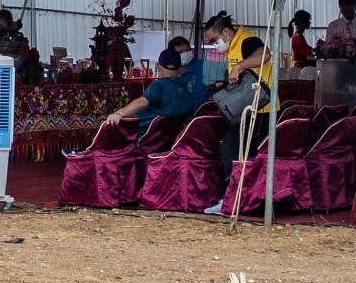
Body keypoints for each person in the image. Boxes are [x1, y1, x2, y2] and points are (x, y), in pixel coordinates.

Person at [200, 32, 273, 216]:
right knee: (239, 153)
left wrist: (239, 67)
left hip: (258, 111)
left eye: (214, 39)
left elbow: (265, 54)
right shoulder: (230, 49)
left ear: (225, 32)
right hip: (246, 111)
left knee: (231, 151)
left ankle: (231, 200)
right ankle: (240, 199)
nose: (214, 44)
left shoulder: (247, 40)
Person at [100, 47, 202, 128]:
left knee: (108, 124)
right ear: (180, 67)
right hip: (172, 136)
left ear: (159, 66)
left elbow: (142, 102)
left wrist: (119, 113)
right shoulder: (185, 86)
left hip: (145, 133)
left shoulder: (159, 85)